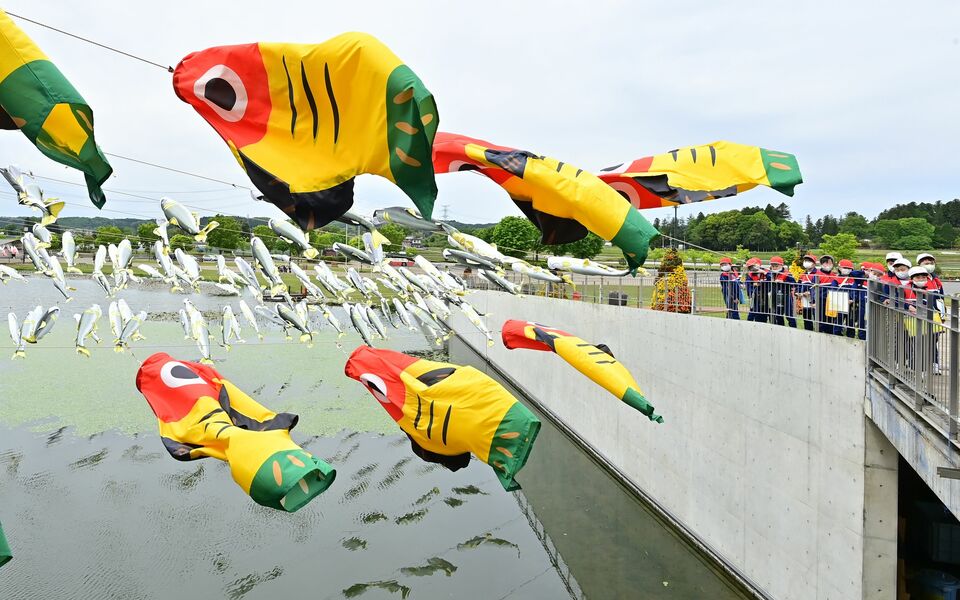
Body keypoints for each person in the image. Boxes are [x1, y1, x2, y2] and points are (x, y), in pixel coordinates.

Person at [836, 259, 866, 339]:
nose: (847, 270)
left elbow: (860, 274)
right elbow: (833, 290)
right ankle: (837, 337)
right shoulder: (836, 279)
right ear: (839, 268)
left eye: (849, 268)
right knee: (838, 322)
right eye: (845, 268)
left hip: (852, 305)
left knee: (851, 323)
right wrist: (843, 300)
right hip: (840, 305)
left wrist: (853, 299)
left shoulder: (854, 278)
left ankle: (851, 338)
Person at [768, 256, 797, 327]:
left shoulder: (787, 274)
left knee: (789, 315)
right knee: (778, 315)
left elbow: (794, 283)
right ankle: (781, 329)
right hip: (775, 296)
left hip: (786, 296)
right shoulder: (771, 274)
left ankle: (793, 329)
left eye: (776, 266)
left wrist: (784, 282)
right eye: (773, 266)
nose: (774, 267)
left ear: (781, 265)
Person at [744, 257, 769, 323]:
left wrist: (764, 273)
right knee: (754, 311)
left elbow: (771, 280)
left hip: (766, 296)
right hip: (755, 297)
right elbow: (748, 286)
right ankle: (749, 323)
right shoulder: (750, 275)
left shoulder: (766, 272)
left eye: (753, 266)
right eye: (750, 267)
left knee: (765, 312)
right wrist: (750, 295)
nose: (752, 268)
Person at [798, 253, 818, 331]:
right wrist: (798, 292)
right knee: (806, 318)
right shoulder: (803, 274)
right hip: (805, 301)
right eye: (805, 261)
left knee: (817, 319)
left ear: (814, 263)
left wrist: (810, 293)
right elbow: (799, 285)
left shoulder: (818, 274)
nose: (806, 262)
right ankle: (808, 332)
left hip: (815, 301)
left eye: (809, 261)